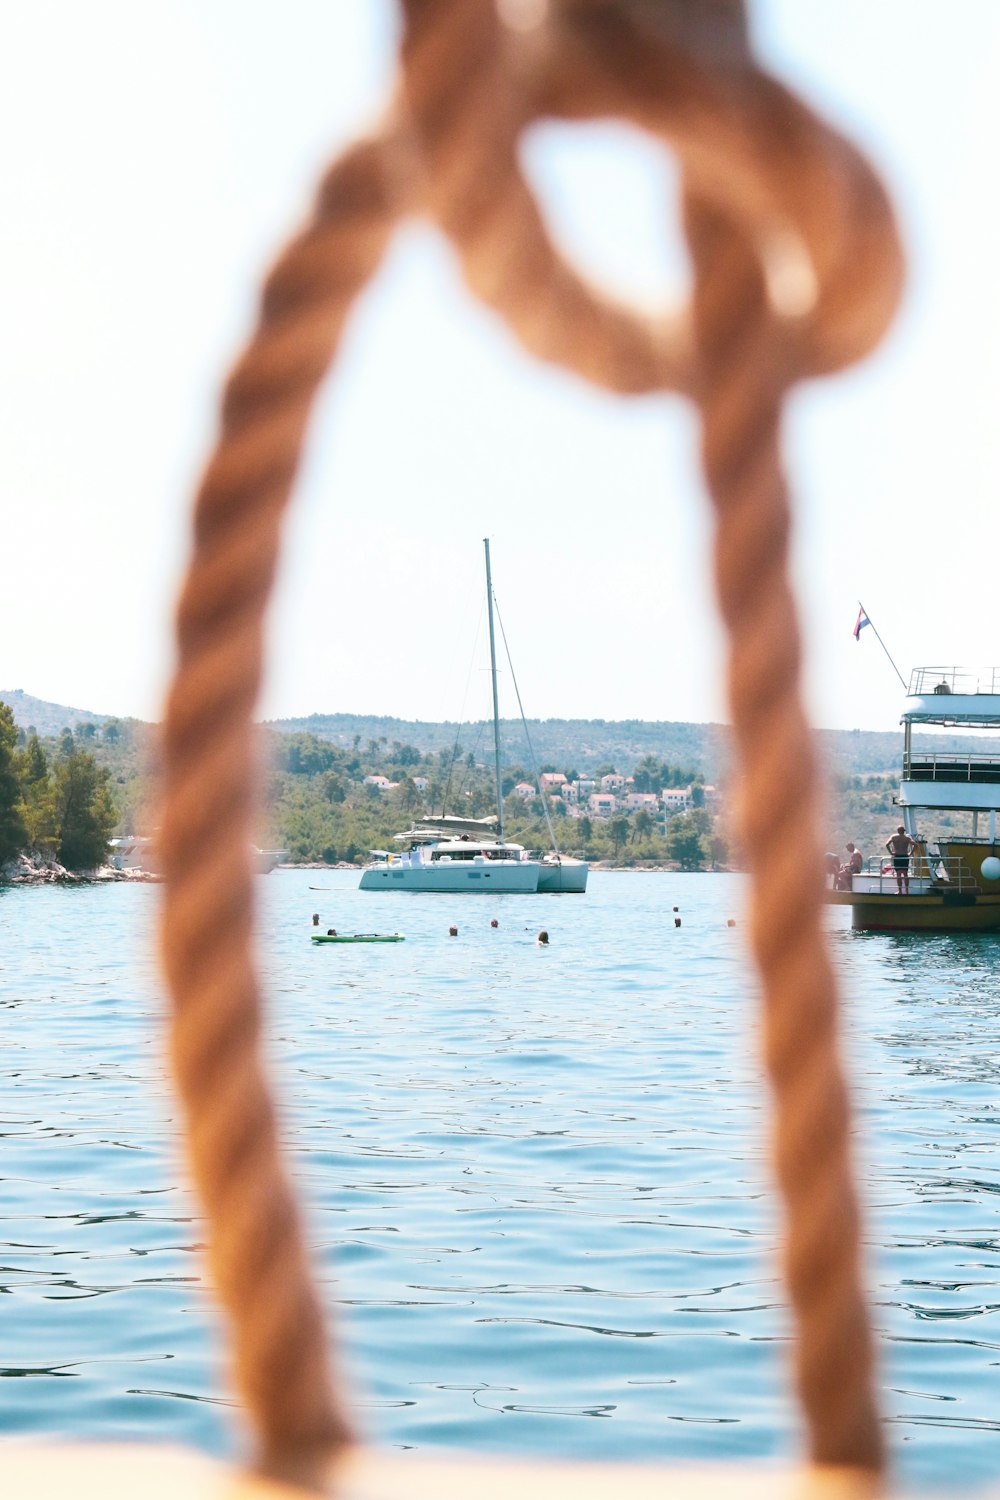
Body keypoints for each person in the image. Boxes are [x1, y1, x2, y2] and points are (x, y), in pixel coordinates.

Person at [885, 826, 916, 894]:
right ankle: (907, 891)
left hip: (897, 856)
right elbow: (915, 845)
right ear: (904, 831)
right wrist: (910, 853)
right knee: (905, 874)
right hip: (905, 856)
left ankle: (900, 891)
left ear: (898, 831)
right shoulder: (907, 838)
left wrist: (891, 852)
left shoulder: (893, 837)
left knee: (898, 874)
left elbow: (887, 844)